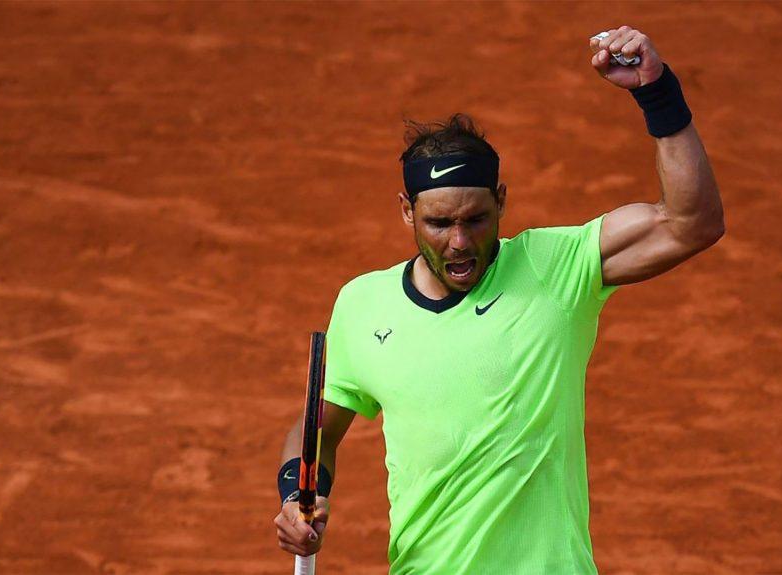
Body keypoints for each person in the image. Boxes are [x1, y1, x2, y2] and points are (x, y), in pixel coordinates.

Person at [274, 25, 725, 574]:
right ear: (407, 211)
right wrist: (297, 496)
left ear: (502, 202)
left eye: (476, 219)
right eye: (439, 223)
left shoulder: (554, 269)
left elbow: (691, 223)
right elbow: (316, 430)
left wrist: (658, 93)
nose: (460, 242)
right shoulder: (363, 303)